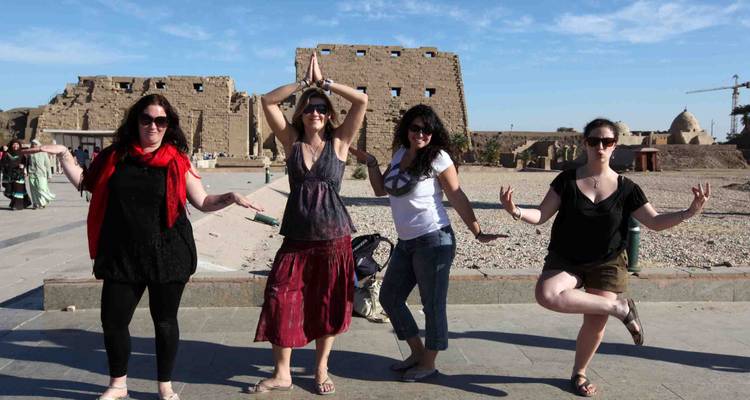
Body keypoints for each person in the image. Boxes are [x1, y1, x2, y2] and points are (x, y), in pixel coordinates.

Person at [26, 94, 264, 400]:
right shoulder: (115, 156)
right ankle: (118, 384)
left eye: (160, 121)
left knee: (164, 321)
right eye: (146, 119)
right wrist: (62, 154)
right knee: (113, 321)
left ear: (168, 125)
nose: (153, 126)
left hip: (167, 252)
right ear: (135, 121)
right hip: (122, 253)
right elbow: (86, 183)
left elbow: (202, 201)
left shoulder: (177, 160)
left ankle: (164, 385)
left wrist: (230, 196)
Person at [499, 118, 710, 397]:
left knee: (595, 321)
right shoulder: (566, 180)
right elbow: (541, 215)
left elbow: (655, 222)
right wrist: (515, 211)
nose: (600, 147)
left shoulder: (628, 188)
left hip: (608, 261)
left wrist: (688, 212)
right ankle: (621, 309)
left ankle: (579, 373)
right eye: (594, 141)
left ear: (615, 146)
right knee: (546, 293)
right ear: (585, 144)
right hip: (567, 258)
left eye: (607, 142)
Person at [349, 105, 506, 382]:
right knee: (390, 297)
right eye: (415, 128)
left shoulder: (438, 158)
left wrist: (477, 231)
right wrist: (372, 163)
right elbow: (380, 190)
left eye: (426, 129)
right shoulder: (399, 154)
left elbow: (457, 195)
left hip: (434, 240)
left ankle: (429, 362)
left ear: (433, 134)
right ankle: (417, 352)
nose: (420, 133)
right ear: (407, 129)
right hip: (407, 242)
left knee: (432, 304)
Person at [251, 51, 367, 395]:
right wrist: (304, 83)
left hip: (334, 238)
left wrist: (326, 83)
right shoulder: (291, 142)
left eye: (321, 108)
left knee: (327, 303)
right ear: (300, 114)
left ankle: (320, 369)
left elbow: (361, 100)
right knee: (279, 298)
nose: (315, 112)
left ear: (329, 114)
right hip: (298, 239)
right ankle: (283, 373)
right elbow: (267, 101)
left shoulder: (340, 143)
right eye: (309, 108)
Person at [1, 139, 31, 210]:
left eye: (17, 144)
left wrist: (23, 166)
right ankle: (25, 202)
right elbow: (2, 162)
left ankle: (17, 205)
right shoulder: (7, 153)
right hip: (9, 175)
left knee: (18, 190)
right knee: (8, 191)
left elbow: (25, 163)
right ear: (11, 145)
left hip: (19, 174)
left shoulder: (22, 153)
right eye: (14, 144)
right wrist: (4, 151)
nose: (15, 146)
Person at [27, 139, 56, 209]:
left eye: (35, 144)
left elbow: (47, 164)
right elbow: (27, 163)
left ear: (38, 145)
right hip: (32, 173)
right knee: (33, 189)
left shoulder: (43, 153)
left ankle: (42, 202)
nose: (34, 145)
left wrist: (49, 175)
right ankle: (35, 203)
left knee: (41, 188)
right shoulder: (30, 153)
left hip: (41, 173)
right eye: (33, 144)